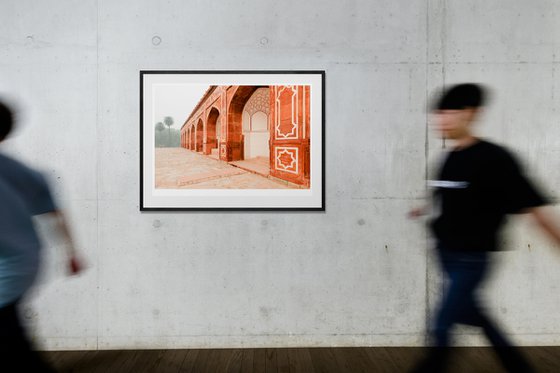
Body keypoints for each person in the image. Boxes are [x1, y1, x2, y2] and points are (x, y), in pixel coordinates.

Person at [409, 83, 560, 373]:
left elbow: (532, 207)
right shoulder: (449, 157)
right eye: (438, 114)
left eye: (449, 114)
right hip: (446, 255)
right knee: (480, 318)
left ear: (470, 114)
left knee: (441, 325)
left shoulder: (495, 158)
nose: (441, 120)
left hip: (472, 259)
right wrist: (424, 208)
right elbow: (445, 193)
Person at [0, 99, 83, 371]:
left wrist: (71, 253)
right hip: (21, 262)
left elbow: (54, 212)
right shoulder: (23, 173)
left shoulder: (17, 172)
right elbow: (55, 213)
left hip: (12, 266)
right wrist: (71, 252)